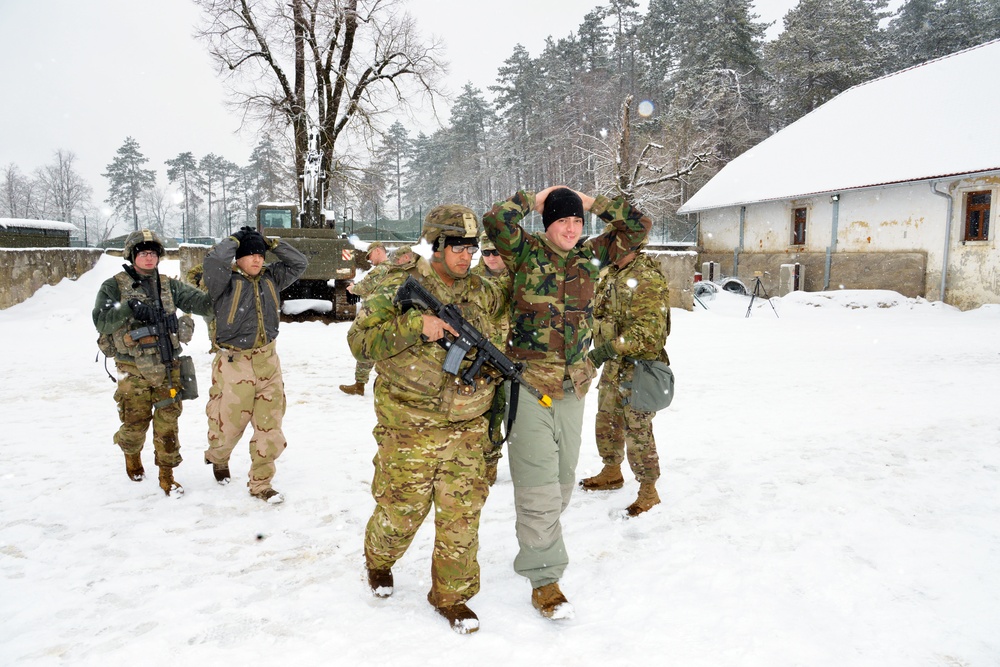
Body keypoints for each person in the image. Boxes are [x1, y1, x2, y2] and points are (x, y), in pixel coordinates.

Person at [482, 185, 651, 619]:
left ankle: (539, 538)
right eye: (563, 220)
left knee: (560, 481)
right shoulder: (524, 253)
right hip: (529, 386)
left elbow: (638, 227)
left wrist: (593, 203)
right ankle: (545, 576)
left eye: (577, 221)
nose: (572, 228)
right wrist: (534, 199)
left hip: (573, 387)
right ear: (548, 223)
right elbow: (496, 222)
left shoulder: (590, 257)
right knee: (538, 485)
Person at [347, 206, 507, 634]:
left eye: (472, 248)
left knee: (462, 518)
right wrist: (416, 325)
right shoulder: (396, 285)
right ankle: (378, 560)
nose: (466, 256)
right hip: (410, 427)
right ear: (436, 245)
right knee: (402, 512)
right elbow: (360, 344)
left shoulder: (483, 291)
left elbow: (507, 319)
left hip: (469, 428)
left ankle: (452, 597)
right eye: (457, 246)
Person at [93, 229, 212, 497]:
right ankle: (132, 458)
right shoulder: (113, 285)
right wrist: (128, 307)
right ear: (133, 255)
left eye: (153, 253)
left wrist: (225, 290)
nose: (149, 258)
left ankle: (166, 476)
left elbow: (202, 303)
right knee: (135, 425)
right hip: (132, 371)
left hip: (167, 367)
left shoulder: (169, 285)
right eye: (143, 253)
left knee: (168, 423)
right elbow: (102, 321)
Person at [201, 226, 308, 504]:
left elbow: (300, 263)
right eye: (250, 255)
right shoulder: (222, 281)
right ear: (238, 258)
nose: (257, 260)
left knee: (269, 427)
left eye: (260, 255)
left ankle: (261, 484)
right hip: (234, 364)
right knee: (227, 427)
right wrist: (234, 241)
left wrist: (272, 243)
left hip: (268, 361)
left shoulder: (272, 277)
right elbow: (213, 261)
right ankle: (219, 456)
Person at [580, 239, 670, 517]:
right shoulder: (612, 272)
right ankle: (611, 471)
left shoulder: (645, 277)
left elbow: (649, 334)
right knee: (607, 419)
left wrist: (604, 350)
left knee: (637, 430)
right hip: (615, 363)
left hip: (640, 367)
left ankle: (648, 490)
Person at [470, 231, 511, 485]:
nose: (492, 258)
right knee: (483, 415)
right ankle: (486, 462)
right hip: (480, 360)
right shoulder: (471, 280)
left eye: (497, 252)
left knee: (510, 413)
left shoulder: (520, 278)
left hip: (513, 358)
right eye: (486, 253)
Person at [340, 241, 388, 396]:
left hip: (376, 315)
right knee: (375, 348)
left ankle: (361, 384)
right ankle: (361, 384)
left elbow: (364, 287)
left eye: (370, 255)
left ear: (379, 251)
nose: (369, 259)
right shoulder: (393, 269)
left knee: (365, 346)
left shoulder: (382, 269)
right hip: (386, 315)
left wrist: (352, 288)